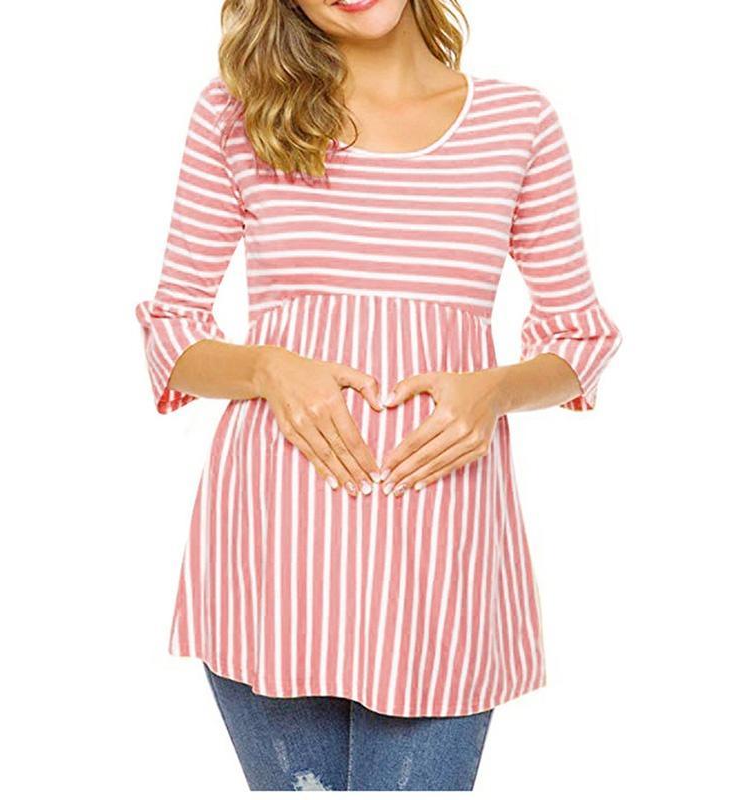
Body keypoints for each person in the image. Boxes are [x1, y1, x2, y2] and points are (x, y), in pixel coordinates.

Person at [134, 0, 622, 791]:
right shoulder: (239, 112)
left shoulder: (516, 122)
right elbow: (173, 331)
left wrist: (494, 390)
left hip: (441, 555)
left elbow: (579, 338)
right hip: (275, 550)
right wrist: (267, 368)